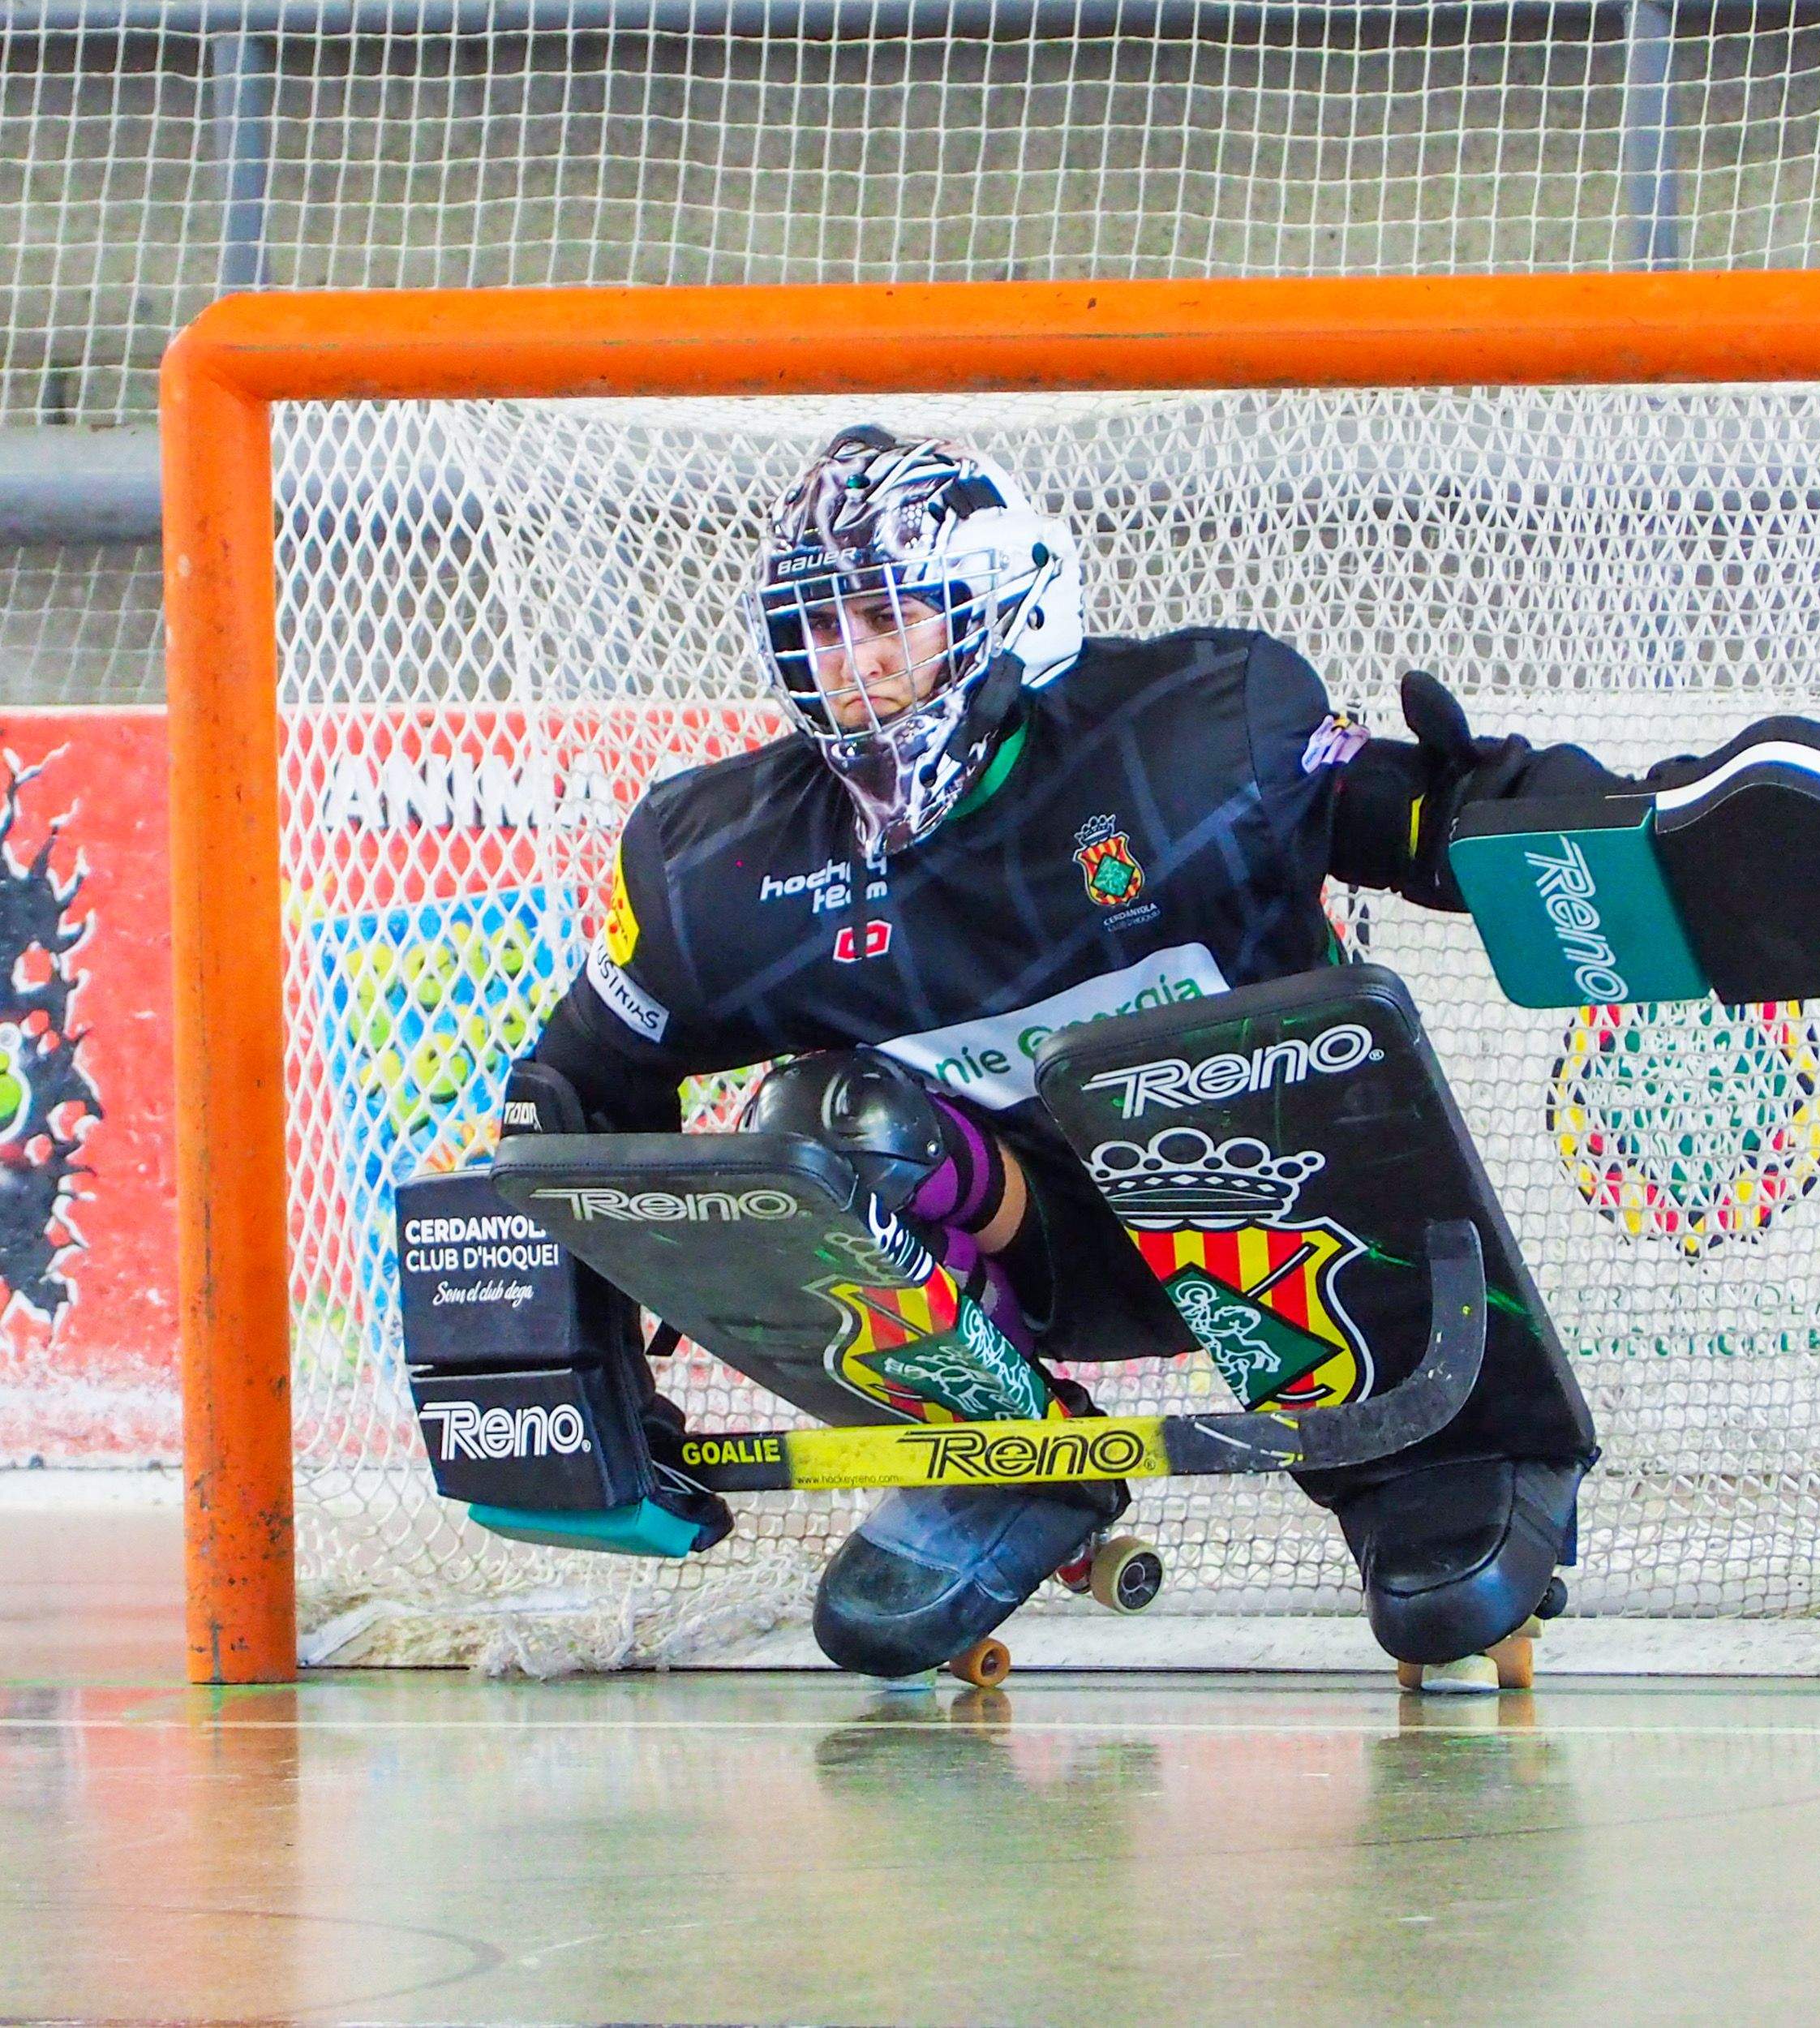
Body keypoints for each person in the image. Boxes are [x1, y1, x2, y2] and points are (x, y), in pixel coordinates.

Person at [499, 428, 1666, 1676]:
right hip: (1034, 1249)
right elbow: (572, 1091)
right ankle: (991, 1451)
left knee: (1297, 1050)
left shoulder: (1199, 738)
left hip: (1285, 1217)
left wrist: (1527, 812)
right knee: (820, 1124)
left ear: (1006, 602)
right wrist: (572, 1365)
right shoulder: (719, 864)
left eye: (888, 611)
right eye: (822, 629)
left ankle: (1444, 1444)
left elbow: (1412, 820)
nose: (856, 662)